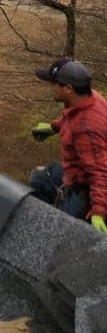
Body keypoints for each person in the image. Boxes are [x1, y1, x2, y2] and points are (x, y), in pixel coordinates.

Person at [30, 57, 107, 232]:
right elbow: (71, 117)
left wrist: (98, 211)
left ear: (68, 89)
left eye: (54, 83)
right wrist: (53, 127)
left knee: (61, 233)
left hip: (84, 188)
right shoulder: (90, 97)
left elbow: (100, 172)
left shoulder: (86, 128)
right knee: (39, 178)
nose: (52, 87)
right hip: (73, 171)